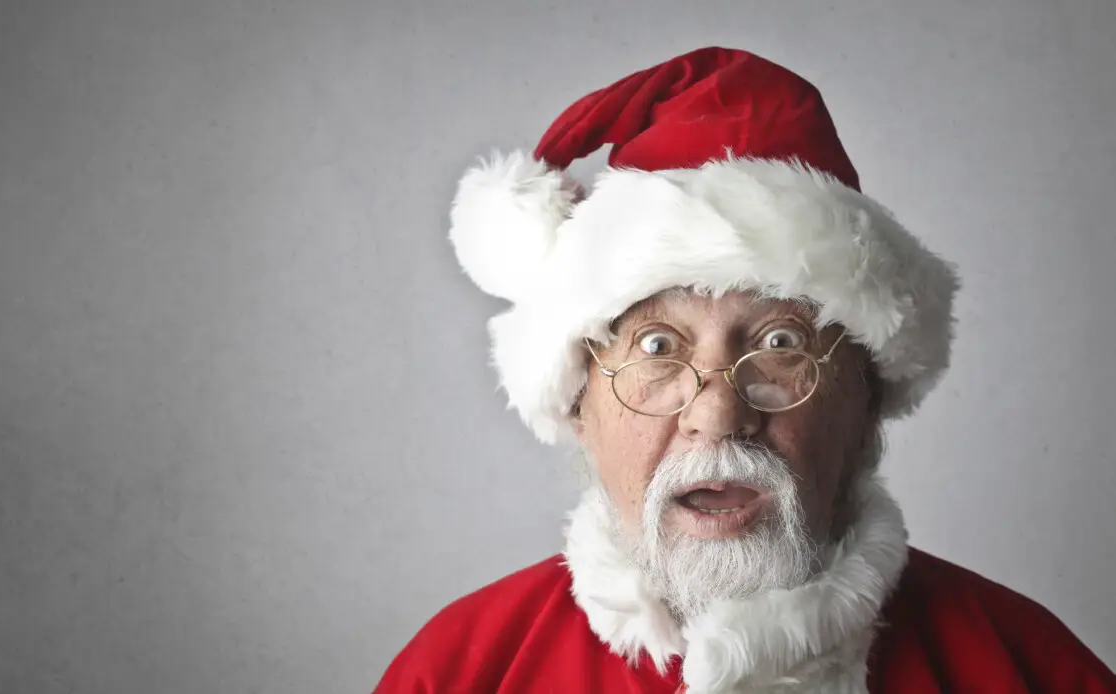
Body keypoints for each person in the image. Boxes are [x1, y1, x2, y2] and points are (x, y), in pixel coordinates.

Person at [375, 47, 1116, 693]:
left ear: (867, 399)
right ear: (579, 401)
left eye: (782, 345)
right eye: (659, 348)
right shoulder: (460, 671)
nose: (719, 414)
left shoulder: (1028, 668)